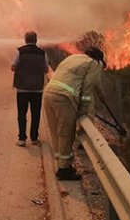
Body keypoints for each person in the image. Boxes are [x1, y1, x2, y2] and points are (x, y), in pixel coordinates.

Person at [42, 46, 105, 180]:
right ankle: (64, 170)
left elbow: (96, 83)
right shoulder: (95, 64)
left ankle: (61, 163)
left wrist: (101, 95)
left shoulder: (73, 58)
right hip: (64, 98)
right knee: (66, 133)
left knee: (55, 132)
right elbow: (88, 88)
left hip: (48, 93)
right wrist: (83, 109)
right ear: (99, 59)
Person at [12, 31, 50, 147]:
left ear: (25, 39)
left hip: (22, 89)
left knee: (22, 114)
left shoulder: (20, 51)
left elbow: (13, 67)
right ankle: (34, 138)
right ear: (36, 40)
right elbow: (46, 69)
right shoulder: (43, 53)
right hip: (37, 89)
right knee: (36, 114)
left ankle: (22, 138)